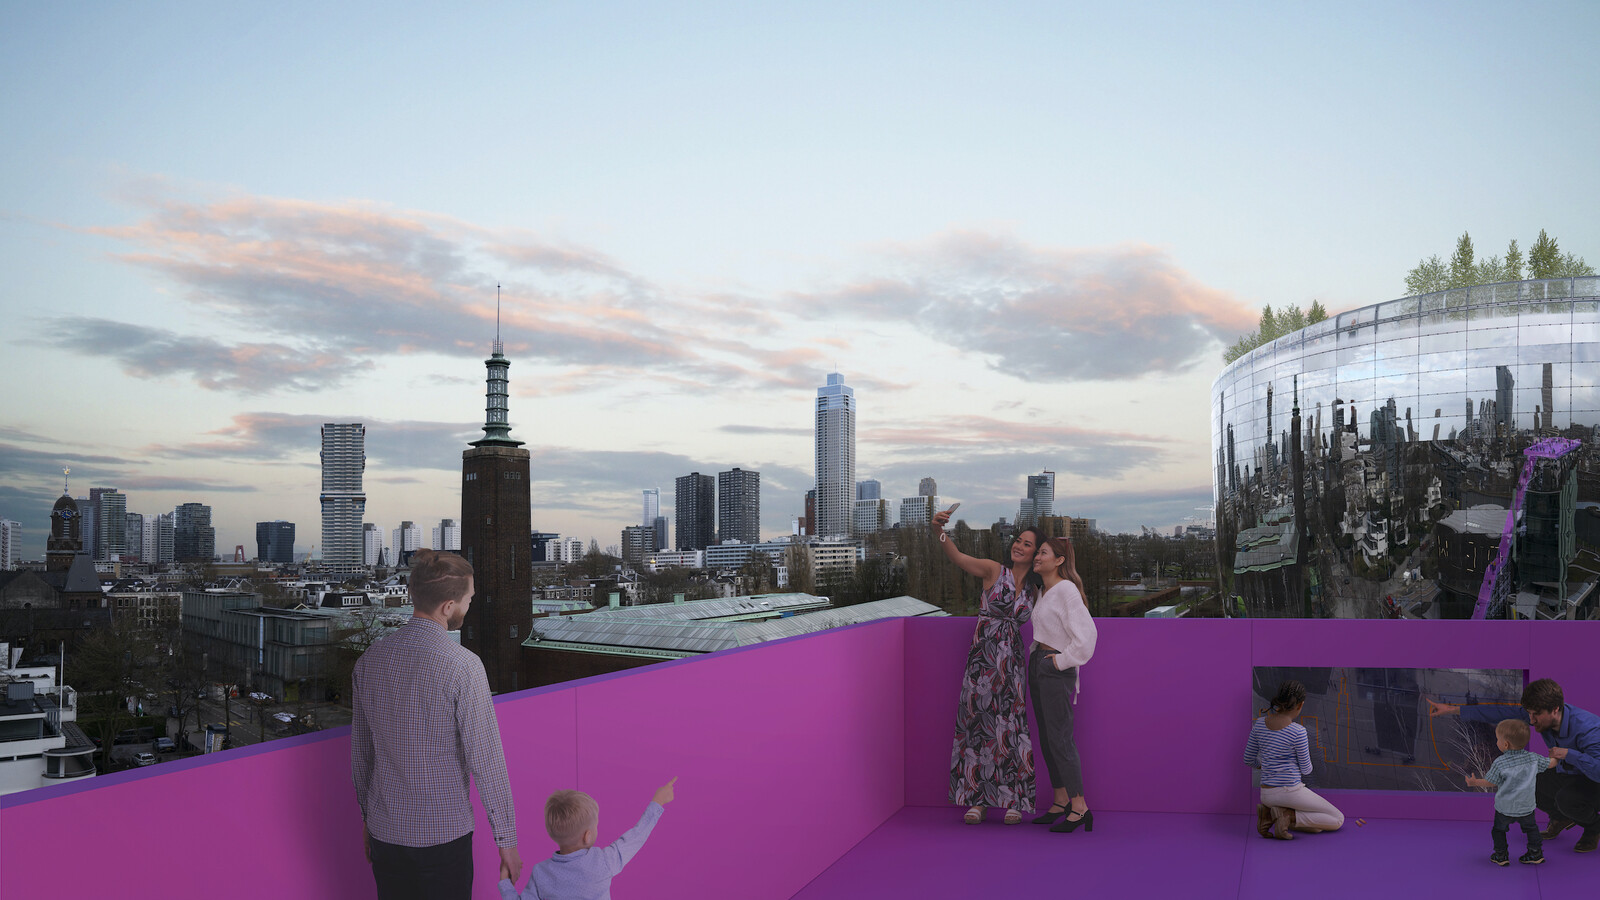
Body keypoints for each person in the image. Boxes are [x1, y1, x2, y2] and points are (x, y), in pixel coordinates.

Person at [352, 549, 520, 899]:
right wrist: (506, 840)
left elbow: (361, 755)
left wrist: (368, 818)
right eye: (468, 599)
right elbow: (486, 762)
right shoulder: (464, 667)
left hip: (386, 835)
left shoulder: (369, 661)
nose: (469, 605)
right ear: (448, 607)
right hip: (443, 840)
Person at [929, 507, 1039, 825]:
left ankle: (1015, 799)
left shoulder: (1035, 588)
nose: (1019, 546)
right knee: (978, 724)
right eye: (1017, 541)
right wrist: (938, 530)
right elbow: (959, 557)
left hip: (1013, 663)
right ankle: (977, 800)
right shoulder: (994, 571)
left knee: (1013, 728)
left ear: (1036, 553)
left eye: (1027, 544)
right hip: (983, 659)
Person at [1429, 678, 1600, 853]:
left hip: (1594, 779)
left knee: (1567, 799)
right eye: (1529, 714)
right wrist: (1452, 709)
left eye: (1536, 715)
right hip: (1571, 773)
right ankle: (1561, 818)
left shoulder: (1588, 729)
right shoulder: (1541, 714)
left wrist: (1570, 755)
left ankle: (1593, 827)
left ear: (1555, 709)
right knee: (1527, 780)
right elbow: (1499, 713)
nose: (1531, 721)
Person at [500, 778, 677, 900]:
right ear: (588, 835)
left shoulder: (541, 872)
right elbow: (636, 837)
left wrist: (505, 883)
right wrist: (657, 802)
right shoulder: (603, 861)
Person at [1028, 537, 1098, 833]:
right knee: (1047, 737)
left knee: (1060, 738)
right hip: (1038, 664)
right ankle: (1060, 801)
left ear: (1059, 560)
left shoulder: (1067, 590)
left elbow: (1088, 637)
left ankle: (1080, 807)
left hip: (1053, 668)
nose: (1037, 556)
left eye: (1043, 553)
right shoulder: (1045, 590)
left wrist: (1058, 662)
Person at [1243, 680, 1344, 839]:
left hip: (1266, 795)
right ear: (1300, 705)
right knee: (1337, 819)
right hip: (1289, 792)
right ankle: (1287, 816)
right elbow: (1306, 770)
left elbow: (1248, 759)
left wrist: (1265, 766)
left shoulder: (1260, 725)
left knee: (1316, 828)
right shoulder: (1298, 732)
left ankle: (1269, 814)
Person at [1465, 719, 1553, 866]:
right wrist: (1555, 756)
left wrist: (1474, 782)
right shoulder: (1533, 758)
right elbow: (1550, 763)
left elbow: (1491, 782)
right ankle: (1535, 853)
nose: (1497, 742)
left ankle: (1501, 855)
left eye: (1498, 739)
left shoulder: (1500, 763)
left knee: (1499, 830)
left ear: (1505, 744)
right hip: (1526, 806)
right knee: (1531, 829)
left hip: (1505, 807)